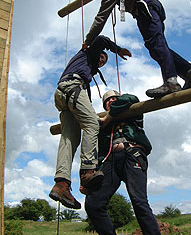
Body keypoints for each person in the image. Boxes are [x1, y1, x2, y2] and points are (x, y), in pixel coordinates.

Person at [82, 0, 191, 98]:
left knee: (156, 44)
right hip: (150, 6)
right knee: (156, 46)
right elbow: (123, 2)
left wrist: (88, 40)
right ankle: (189, 72)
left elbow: (101, 17)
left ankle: (171, 82)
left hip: (143, 8)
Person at [84, 90, 170, 235]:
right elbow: (95, 150)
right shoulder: (102, 125)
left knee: (138, 201)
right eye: (107, 101)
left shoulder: (132, 110)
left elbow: (131, 98)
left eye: (114, 98)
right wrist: (88, 176)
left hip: (133, 153)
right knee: (93, 203)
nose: (111, 102)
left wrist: (112, 112)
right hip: (110, 161)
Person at [49, 36, 131, 210]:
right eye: (102, 57)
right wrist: (117, 50)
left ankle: (61, 184)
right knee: (92, 124)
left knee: (69, 138)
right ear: (96, 52)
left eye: (104, 61)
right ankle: (88, 172)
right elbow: (100, 39)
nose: (102, 61)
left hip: (63, 95)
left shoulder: (86, 68)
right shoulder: (88, 54)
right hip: (72, 87)